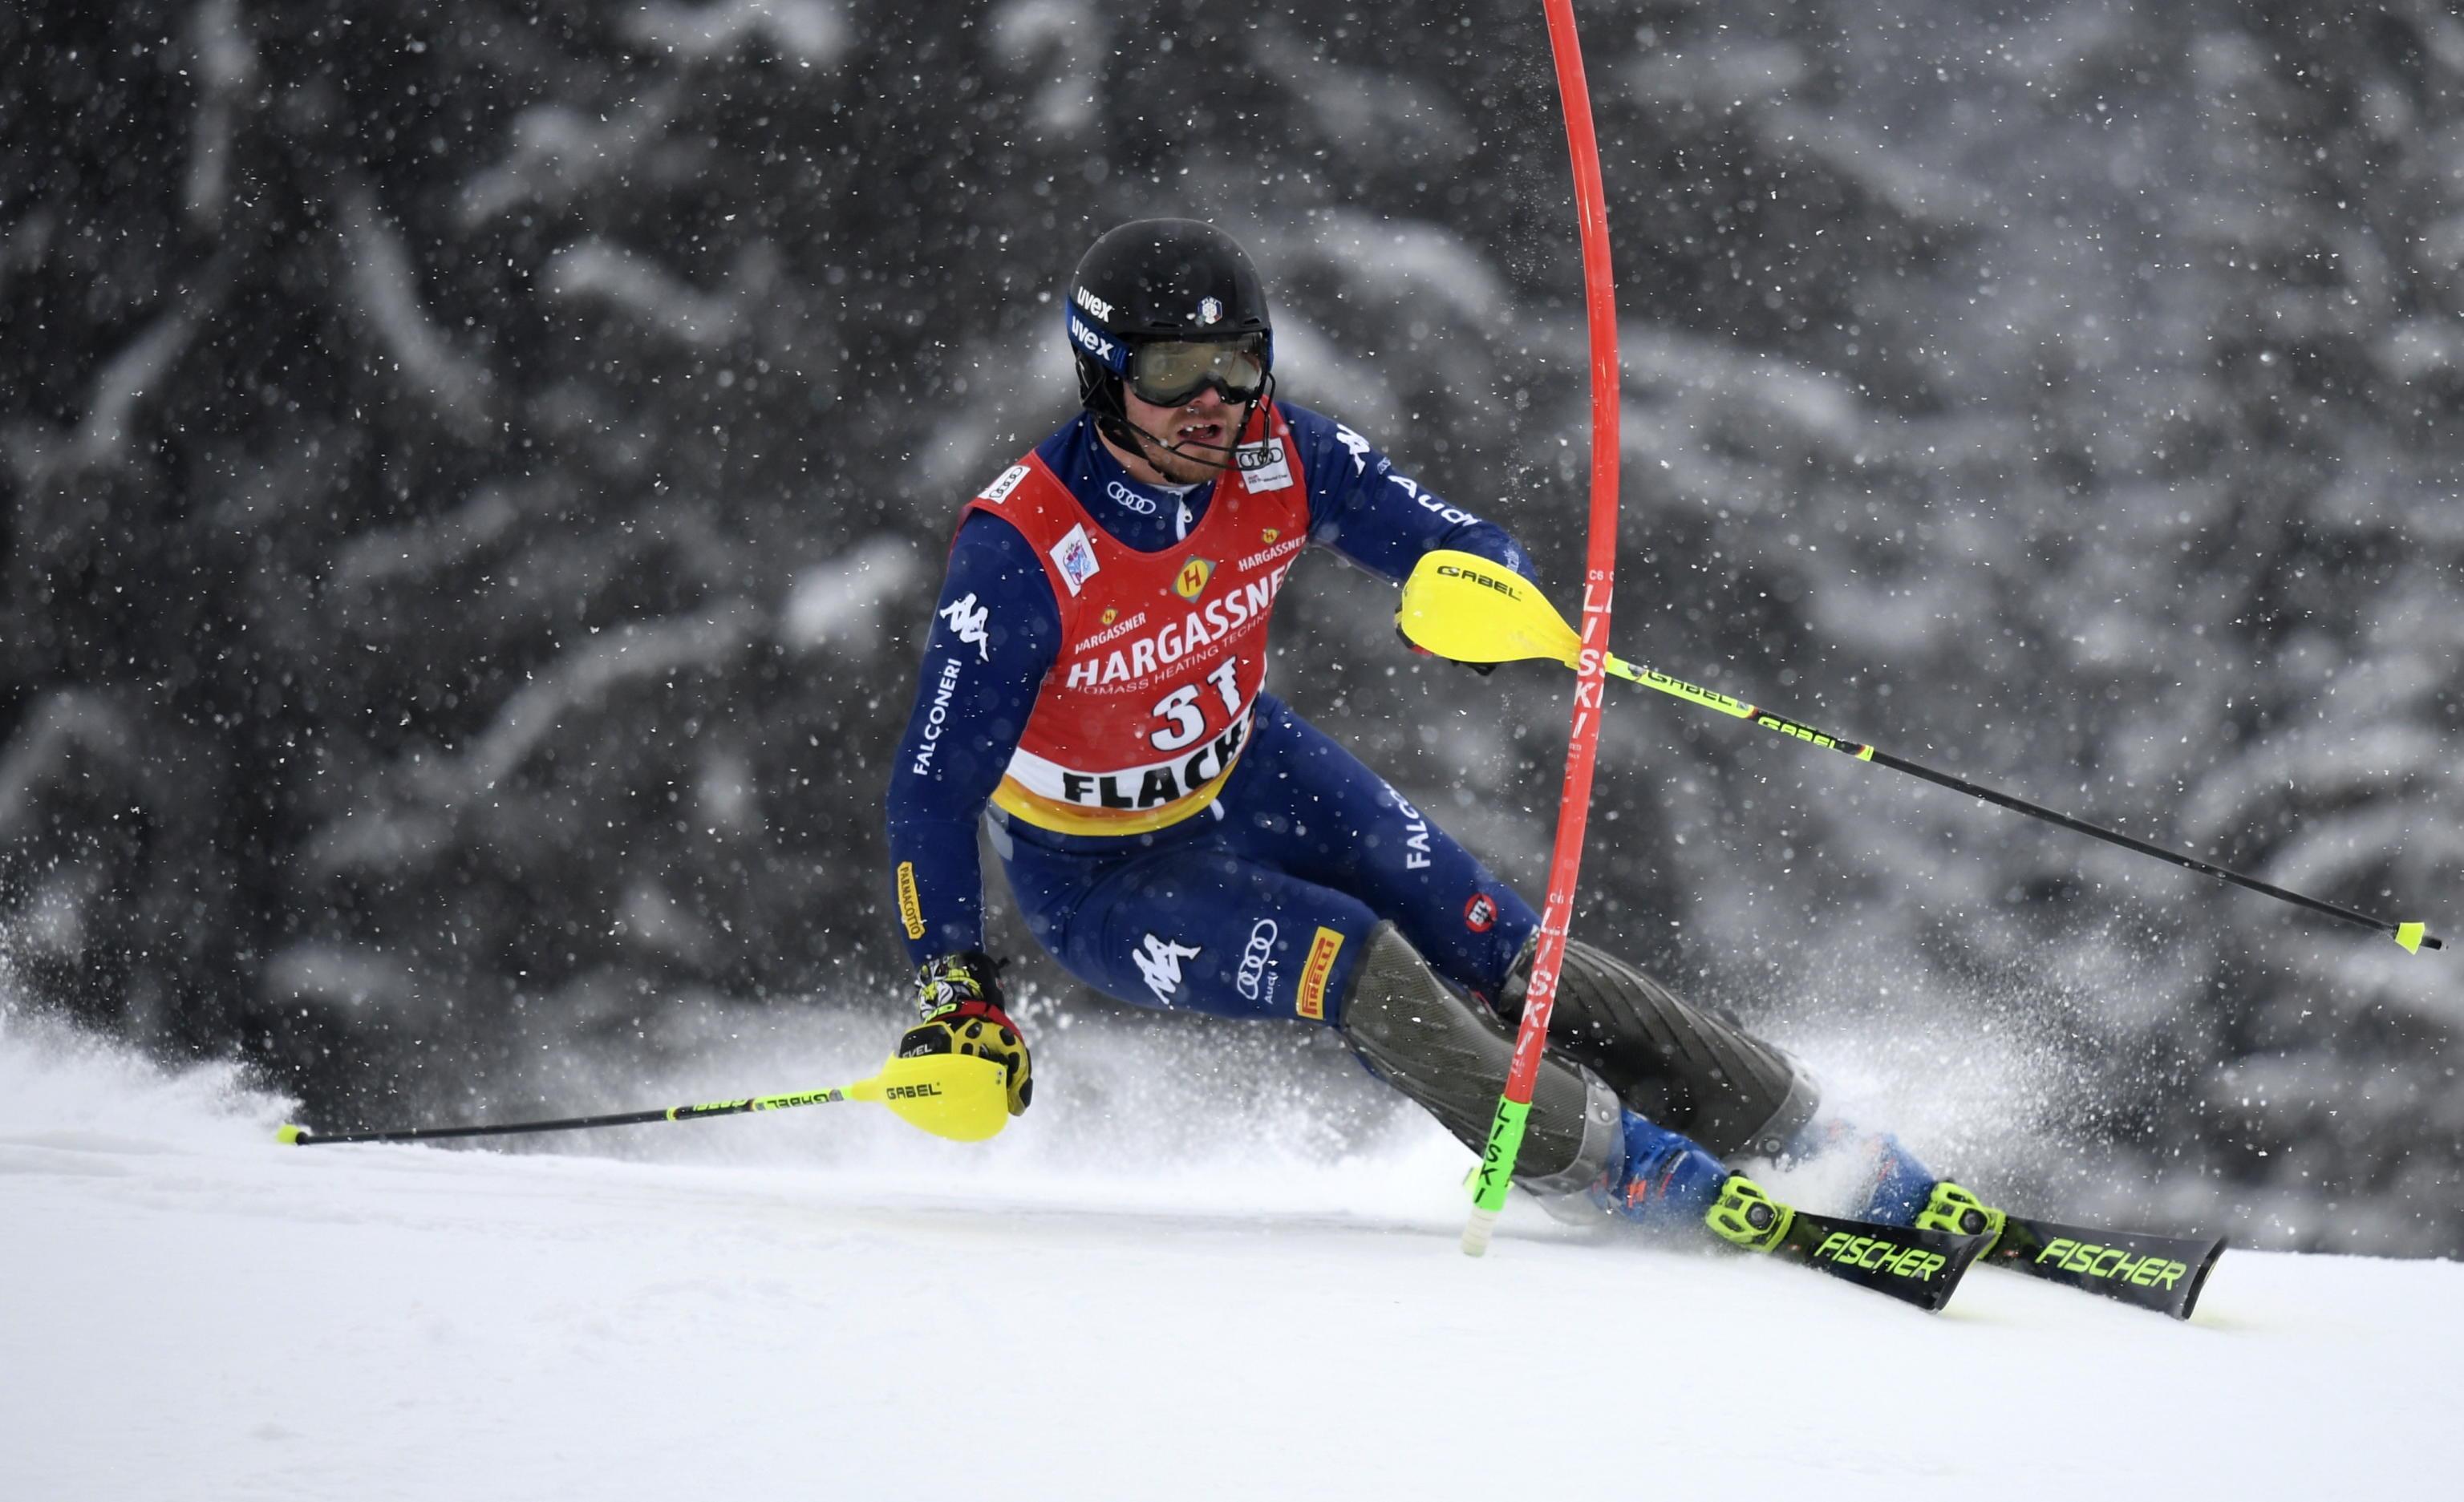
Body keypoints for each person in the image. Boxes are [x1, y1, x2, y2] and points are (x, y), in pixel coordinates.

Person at [883, 218, 2003, 1249]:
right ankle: (1624, 1173)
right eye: (1176, 372)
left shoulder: (1284, 456)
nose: (1215, 401)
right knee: (1352, 958)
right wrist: (954, 986)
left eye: (1240, 363)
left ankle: (1815, 1141)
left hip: (1251, 769)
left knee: (1501, 946)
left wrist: (1478, 592)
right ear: (1103, 372)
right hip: (1101, 872)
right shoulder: (1022, 547)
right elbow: (932, 790)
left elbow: (1454, 537)